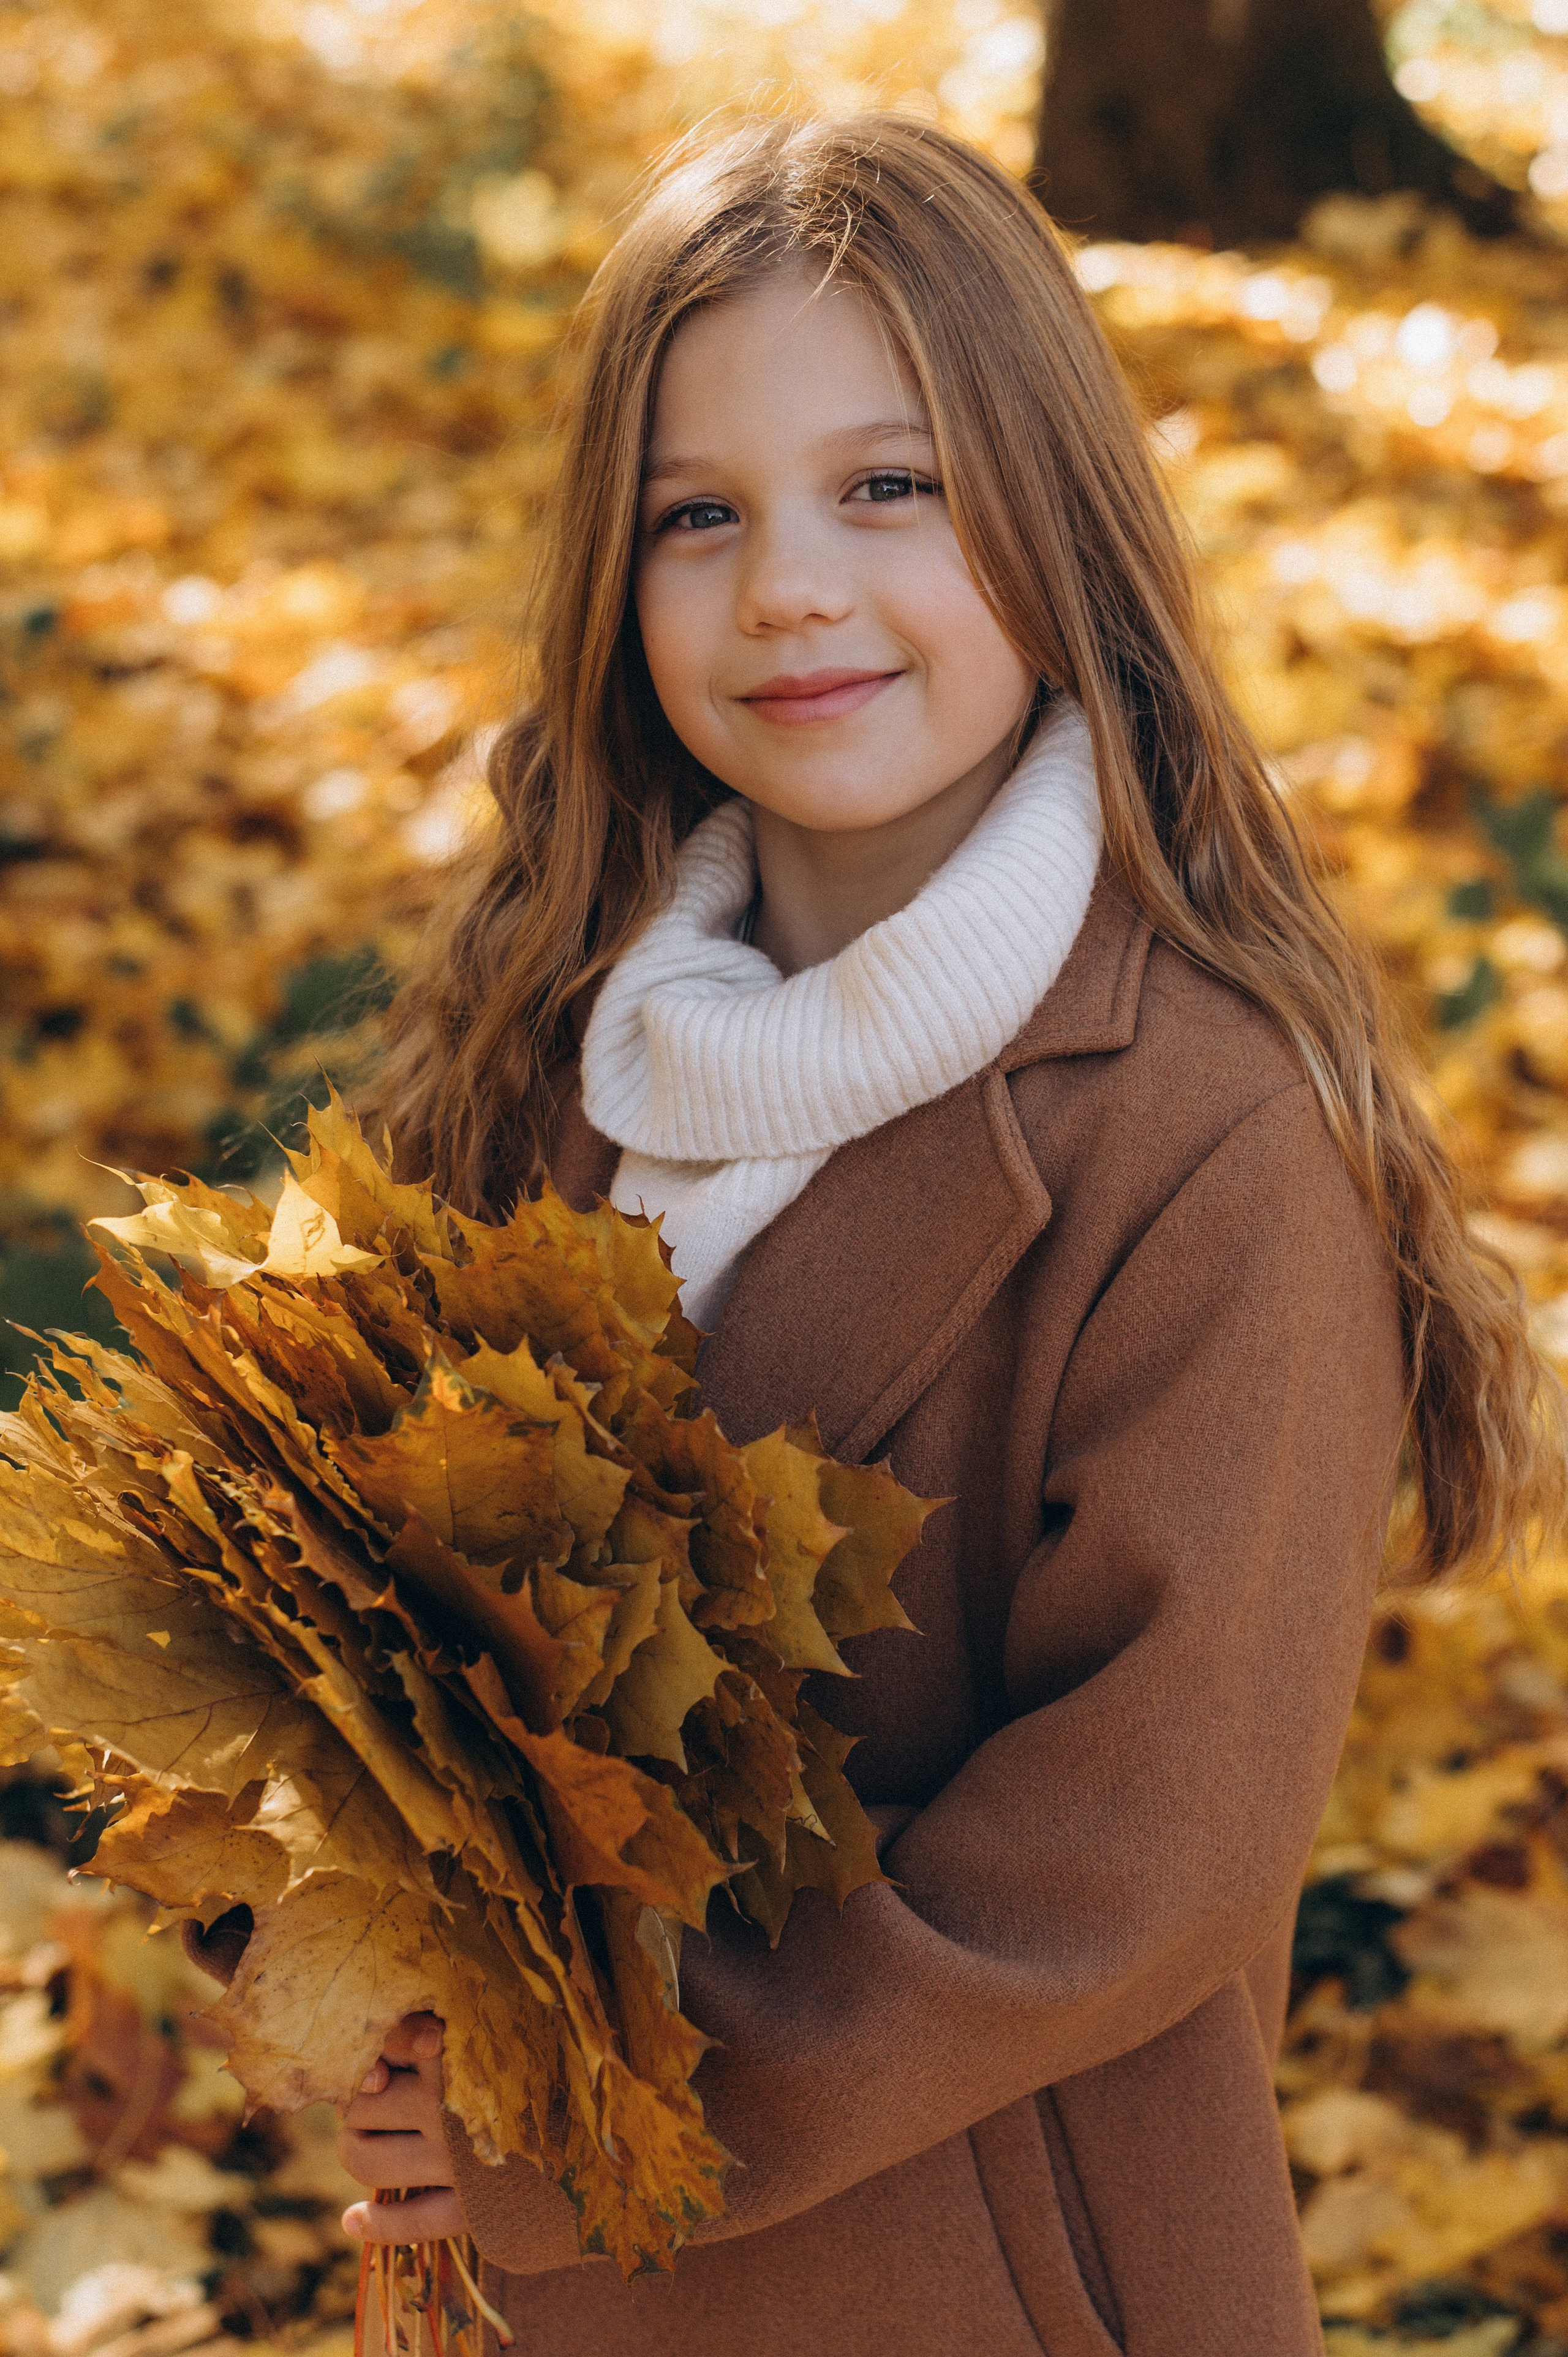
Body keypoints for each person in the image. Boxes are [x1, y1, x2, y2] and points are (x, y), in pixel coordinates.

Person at [328, 113, 1565, 2356]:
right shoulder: (547, 1070)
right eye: (698, 515)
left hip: (982, 2283)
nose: (788, 587)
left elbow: (1127, 1865)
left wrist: (584, 2108)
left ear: (1053, 515)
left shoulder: (1204, 1134)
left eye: (886, 486)